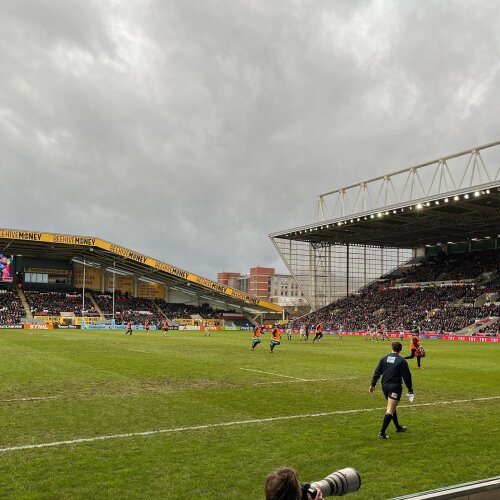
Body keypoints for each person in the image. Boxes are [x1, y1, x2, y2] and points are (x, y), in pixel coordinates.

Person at [369, 341, 414, 439]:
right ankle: (382, 433)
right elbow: (407, 376)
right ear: (400, 350)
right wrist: (410, 389)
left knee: (392, 407)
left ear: (391, 348)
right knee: (390, 409)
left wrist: (373, 384)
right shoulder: (402, 361)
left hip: (385, 386)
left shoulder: (384, 358)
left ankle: (398, 427)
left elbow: (377, 372)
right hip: (395, 387)